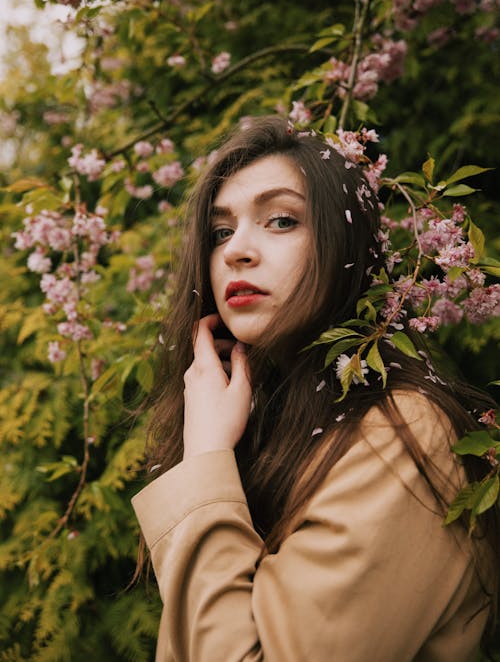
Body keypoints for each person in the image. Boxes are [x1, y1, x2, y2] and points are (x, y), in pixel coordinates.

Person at [132, 116, 498, 661]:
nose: (236, 251)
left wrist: (206, 455)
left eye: (280, 221)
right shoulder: (274, 423)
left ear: (342, 245)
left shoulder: (401, 434)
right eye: (221, 231)